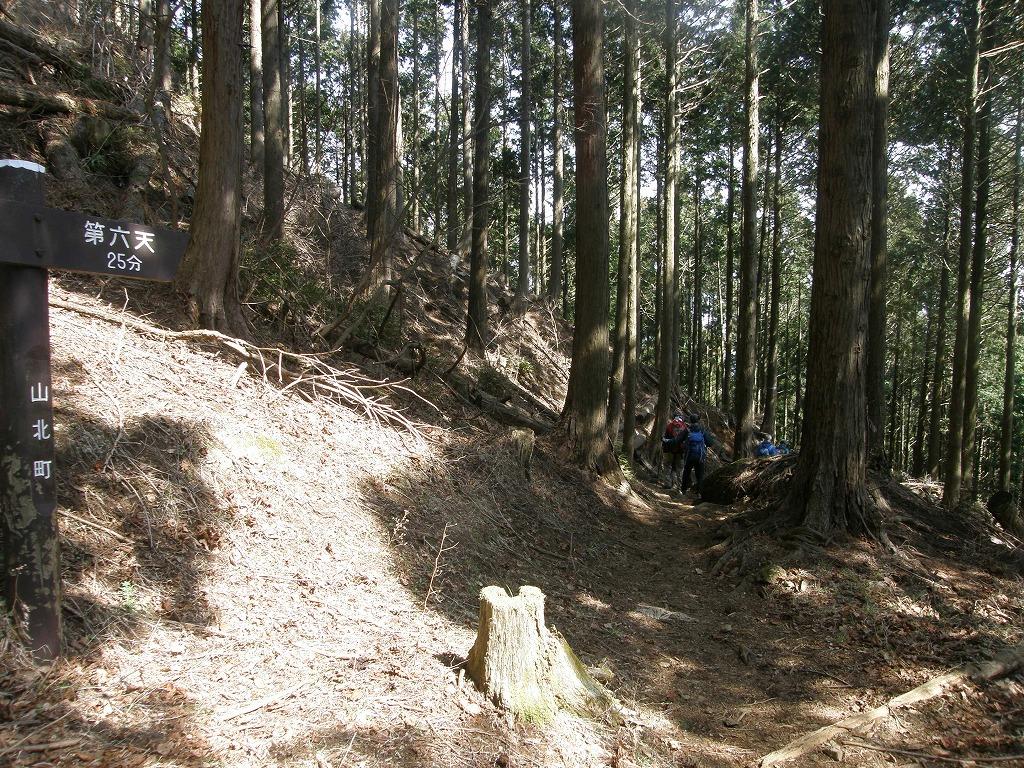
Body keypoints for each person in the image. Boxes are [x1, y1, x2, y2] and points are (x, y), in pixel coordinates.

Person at [679, 413, 716, 497]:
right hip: (700, 456)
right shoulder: (702, 430)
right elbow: (710, 443)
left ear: (690, 421)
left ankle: (683, 490)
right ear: (698, 421)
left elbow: (678, 440)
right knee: (700, 475)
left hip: (689, 455)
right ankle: (699, 493)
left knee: (686, 473)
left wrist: (666, 441)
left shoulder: (687, 430)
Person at [660, 412, 687, 488]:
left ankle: (667, 484)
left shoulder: (669, 426)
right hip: (680, 451)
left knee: (667, 466)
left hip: (669, 450)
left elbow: (665, 438)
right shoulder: (684, 427)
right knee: (680, 469)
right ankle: (679, 487)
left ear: (673, 417)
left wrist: (664, 446)